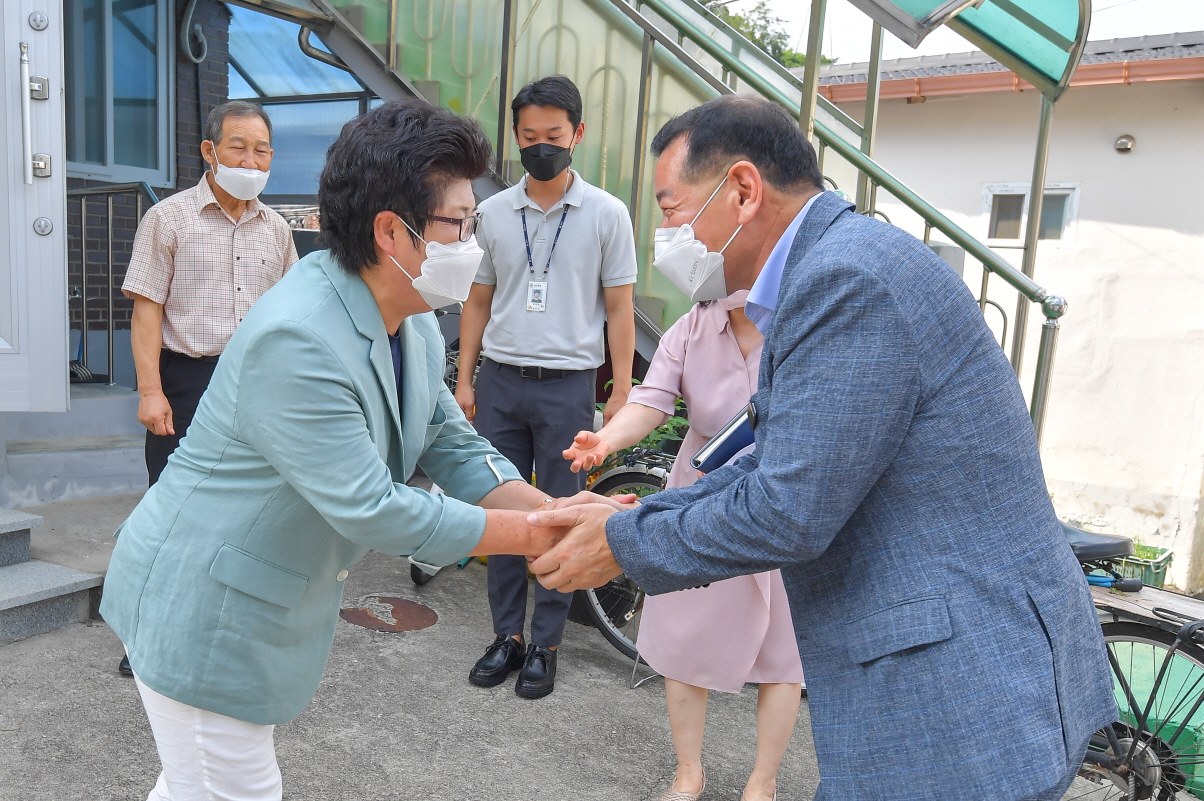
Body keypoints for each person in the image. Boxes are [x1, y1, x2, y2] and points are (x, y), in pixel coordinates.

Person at [528, 96, 1117, 800]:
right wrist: (636, 516)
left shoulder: (846, 283)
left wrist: (625, 541)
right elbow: (773, 457)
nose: (668, 234)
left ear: (742, 190)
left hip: (959, 696)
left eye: (672, 208)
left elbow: (789, 507)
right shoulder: (842, 263)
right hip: (963, 670)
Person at [99, 100, 576, 801]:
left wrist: (556, 510)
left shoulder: (408, 316)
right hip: (201, 603)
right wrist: (541, 534)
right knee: (237, 790)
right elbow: (374, 508)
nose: (472, 243)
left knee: (193, 786)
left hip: (252, 594)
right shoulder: (299, 337)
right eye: (458, 224)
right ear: (391, 231)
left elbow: (452, 442)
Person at [564, 290, 802, 801]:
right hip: (699, 494)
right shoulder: (694, 326)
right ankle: (688, 772)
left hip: (781, 494)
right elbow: (652, 400)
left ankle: (763, 783)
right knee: (682, 632)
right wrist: (607, 440)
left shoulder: (803, 318)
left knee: (784, 650)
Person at [456, 75, 638, 699]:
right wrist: (465, 381)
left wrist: (620, 393)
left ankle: (546, 644)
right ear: (515, 136)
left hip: (568, 388)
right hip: (501, 382)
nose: (542, 146)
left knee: (561, 516)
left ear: (577, 134)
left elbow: (621, 309)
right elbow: (477, 301)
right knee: (502, 514)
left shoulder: (607, 214)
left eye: (554, 135)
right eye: (529, 135)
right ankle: (506, 635)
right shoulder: (492, 213)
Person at [117, 100, 297, 678]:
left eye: (262, 150)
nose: (251, 160)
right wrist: (150, 390)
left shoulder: (277, 230)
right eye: (238, 146)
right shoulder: (168, 219)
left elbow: (289, 316)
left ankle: (222, 630)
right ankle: (145, 632)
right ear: (209, 151)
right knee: (170, 510)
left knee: (250, 511)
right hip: (187, 380)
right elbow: (147, 311)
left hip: (255, 383)